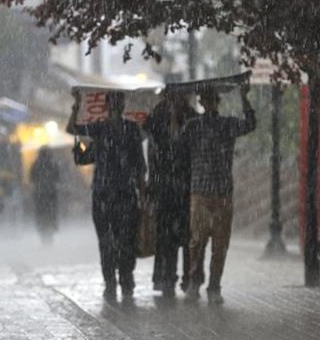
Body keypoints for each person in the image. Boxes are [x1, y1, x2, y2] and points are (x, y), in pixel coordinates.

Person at [66, 91, 146, 302]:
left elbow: (139, 164)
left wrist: (142, 190)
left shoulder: (131, 130)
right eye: (114, 102)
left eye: (118, 102)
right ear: (109, 106)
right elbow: (72, 129)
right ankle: (111, 281)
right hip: (104, 195)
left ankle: (125, 280)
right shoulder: (100, 129)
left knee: (125, 240)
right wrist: (76, 105)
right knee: (107, 241)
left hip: (125, 194)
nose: (116, 106)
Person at [181, 83, 256, 304]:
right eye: (205, 99)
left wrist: (244, 99)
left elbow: (250, 124)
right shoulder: (192, 126)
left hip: (222, 192)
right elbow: (177, 146)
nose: (209, 103)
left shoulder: (227, 125)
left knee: (220, 244)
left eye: (212, 99)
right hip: (200, 192)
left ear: (216, 102)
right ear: (202, 103)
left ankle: (214, 286)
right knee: (197, 241)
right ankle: (195, 282)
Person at [144, 90, 198, 298]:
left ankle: (188, 278)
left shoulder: (191, 117)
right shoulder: (158, 117)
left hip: (185, 186)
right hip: (165, 187)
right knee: (166, 236)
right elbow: (152, 146)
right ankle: (167, 278)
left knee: (186, 236)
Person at [30, 146, 61, 244]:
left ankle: (43, 234)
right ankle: (50, 233)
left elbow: (32, 178)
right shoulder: (53, 163)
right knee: (51, 214)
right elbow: (58, 177)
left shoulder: (36, 164)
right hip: (51, 193)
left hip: (39, 194)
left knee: (41, 215)